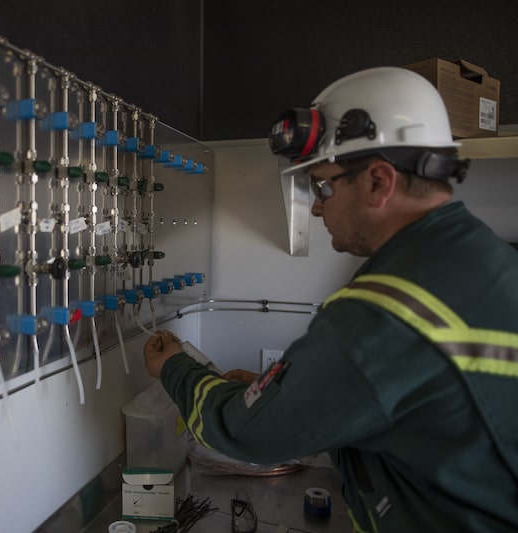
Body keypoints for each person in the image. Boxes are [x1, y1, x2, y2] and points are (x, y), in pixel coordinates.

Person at [144, 67, 518, 533]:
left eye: (324, 185)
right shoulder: (486, 257)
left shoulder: (388, 308)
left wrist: (174, 367)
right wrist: (286, 392)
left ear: (379, 181)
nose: (317, 206)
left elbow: (247, 432)